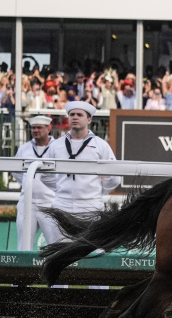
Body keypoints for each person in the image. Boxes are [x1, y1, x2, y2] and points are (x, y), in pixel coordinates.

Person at [40, 101, 121, 244]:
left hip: (91, 207)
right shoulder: (56, 145)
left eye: (79, 114)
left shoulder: (100, 144)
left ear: (89, 120)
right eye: (71, 114)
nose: (75, 117)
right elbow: (45, 174)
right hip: (62, 206)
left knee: (92, 251)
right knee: (59, 251)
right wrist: (61, 188)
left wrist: (97, 191)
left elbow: (114, 177)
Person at [13, 115, 56, 250]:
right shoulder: (24, 148)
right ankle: (22, 271)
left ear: (48, 129)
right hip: (27, 202)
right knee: (23, 245)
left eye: (39, 128)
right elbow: (16, 172)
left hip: (50, 202)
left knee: (56, 243)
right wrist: (28, 184)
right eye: (33, 128)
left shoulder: (57, 148)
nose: (36, 130)